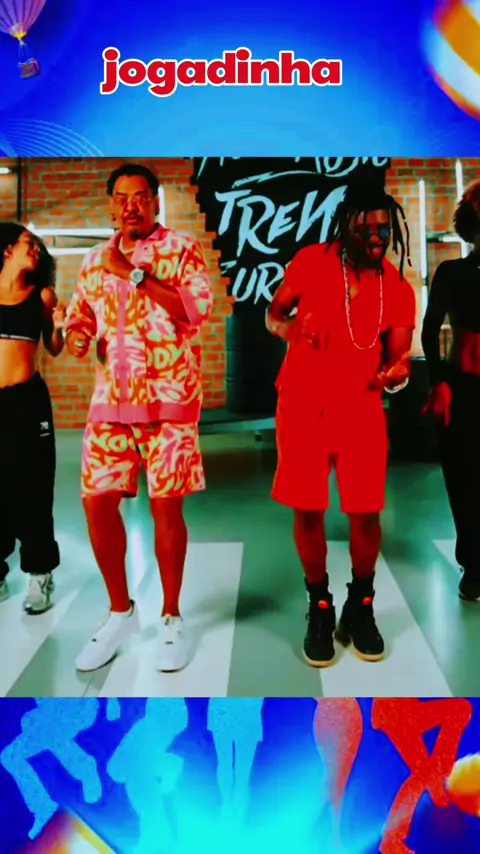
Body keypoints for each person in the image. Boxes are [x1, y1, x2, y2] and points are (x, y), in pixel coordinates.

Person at [65, 163, 213, 674]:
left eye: (141, 196)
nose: (131, 205)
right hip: (110, 401)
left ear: (155, 202)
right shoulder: (93, 260)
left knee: (166, 509)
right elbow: (80, 314)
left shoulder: (181, 249)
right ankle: (120, 612)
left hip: (169, 402)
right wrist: (78, 334)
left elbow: (194, 310)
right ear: (111, 205)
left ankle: (171, 617)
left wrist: (133, 273)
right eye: (122, 197)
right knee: (96, 502)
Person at [266, 180, 416, 668]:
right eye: (365, 229)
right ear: (346, 226)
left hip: (361, 407)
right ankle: (320, 606)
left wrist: (397, 373)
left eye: (384, 229)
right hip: (302, 404)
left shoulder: (396, 287)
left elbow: (398, 357)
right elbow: (273, 314)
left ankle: (361, 605)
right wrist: (287, 328)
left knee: (366, 513)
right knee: (308, 509)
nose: (375, 238)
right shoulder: (312, 261)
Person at [0, 223, 65, 614]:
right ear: (7, 249)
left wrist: (59, 326)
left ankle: (40, 573)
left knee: (32, 485)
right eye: (30, 244)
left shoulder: (42, 295)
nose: (37, 250)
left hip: (27, 402)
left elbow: (53, 348)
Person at [422, 181, 480, 602]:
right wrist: (439, 382)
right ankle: (473, 563)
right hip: (462, 386)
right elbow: (429, 332)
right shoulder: (452, 272)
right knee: (464, 479)